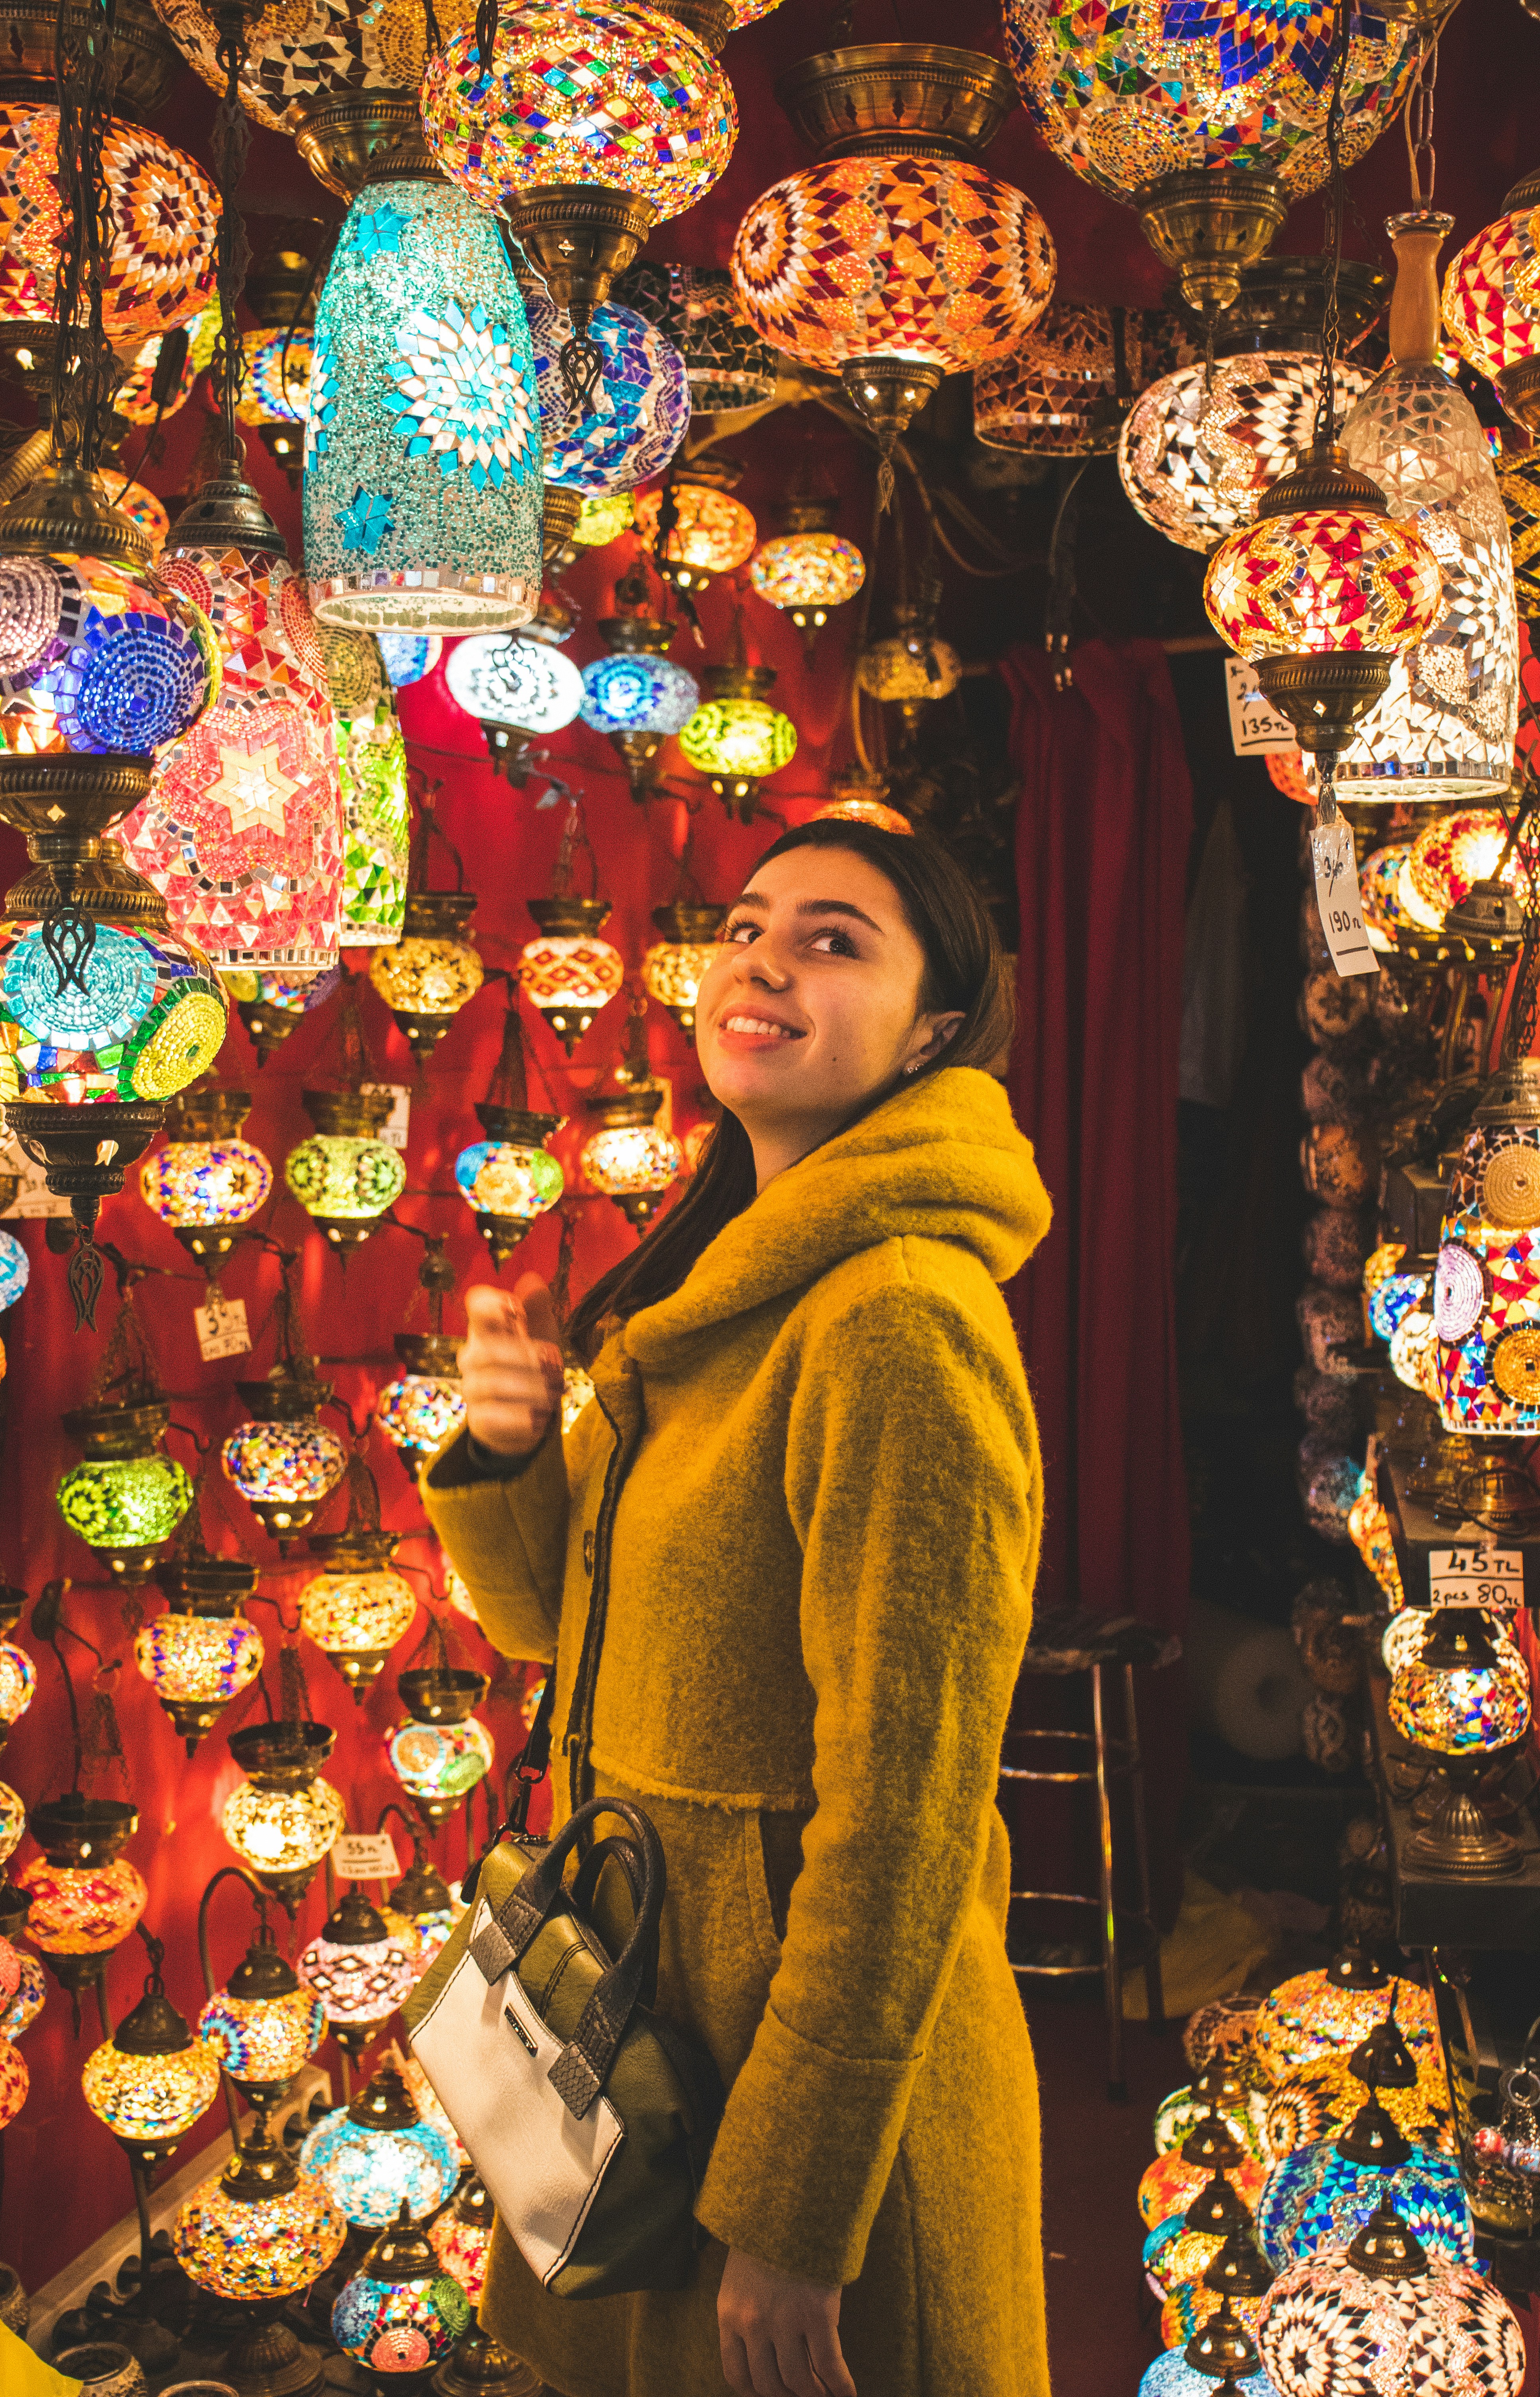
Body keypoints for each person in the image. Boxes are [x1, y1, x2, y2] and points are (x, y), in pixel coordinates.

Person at [423, 819, 1053, 2397]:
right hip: (650, 2045)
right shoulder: (710, 1300)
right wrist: (508, 1453)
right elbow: (551, 1646)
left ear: (934, 1033)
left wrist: (794, 2211)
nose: (763, 958)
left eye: (836, 939)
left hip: (813, 2108)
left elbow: (908, 1818)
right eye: (750, 922)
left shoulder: (897, 1321)